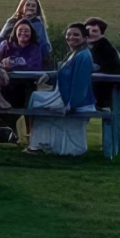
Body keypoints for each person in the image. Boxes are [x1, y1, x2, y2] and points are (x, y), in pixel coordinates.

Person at [28, 24, 97, 156]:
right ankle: (44, 144)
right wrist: (49, 76)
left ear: (85, 38)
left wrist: (71, 105)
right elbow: (63, 74)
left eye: (76, 34)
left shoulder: (83, 56)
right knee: (36, 100)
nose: (71, 37)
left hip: (75, 101)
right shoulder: (74, 54)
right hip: (64, 97)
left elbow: (80, 84)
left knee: (36, 101)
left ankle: (40, 145)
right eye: (69, 34)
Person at [0, 21, 44, 108]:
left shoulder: (34, 48)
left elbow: (35, 66)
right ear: (15, 32)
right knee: (8, 115)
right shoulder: (6, 45)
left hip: (27, 87)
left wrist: (12, 65)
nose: (23, 33)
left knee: (28, 114)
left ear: (31, 33)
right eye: (20, 30)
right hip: (8, 87)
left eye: (26, 31)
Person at [0, 0, 52, 68]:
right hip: (11, 54)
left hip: (32, 56)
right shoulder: (11, 22)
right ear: (22, 7)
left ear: (37, 10)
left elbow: (43, 44)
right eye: (28, 5)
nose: (30, 7)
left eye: (33, 6)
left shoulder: (39, 24)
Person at [84, 17, 120, 109]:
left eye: (94, 31)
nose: (90, 33)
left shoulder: (105, 48)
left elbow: (112, 70)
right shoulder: (86, 47)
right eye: (87, 30)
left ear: (101, 33)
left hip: (108, 91)